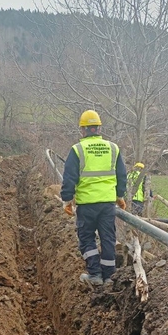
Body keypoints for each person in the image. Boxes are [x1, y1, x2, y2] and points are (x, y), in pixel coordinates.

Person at [60, 110, 127, 288]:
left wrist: (67, 200)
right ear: (98, 128)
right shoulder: (113, 148)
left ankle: (95, 274)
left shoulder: (77, 150)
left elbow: (69, 178)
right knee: (108, 239)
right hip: (107, 203)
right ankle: (110, 277)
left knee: (87, 238)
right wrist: (120, 196)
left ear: (82, 130)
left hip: (86, 204)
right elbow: (122, 175)